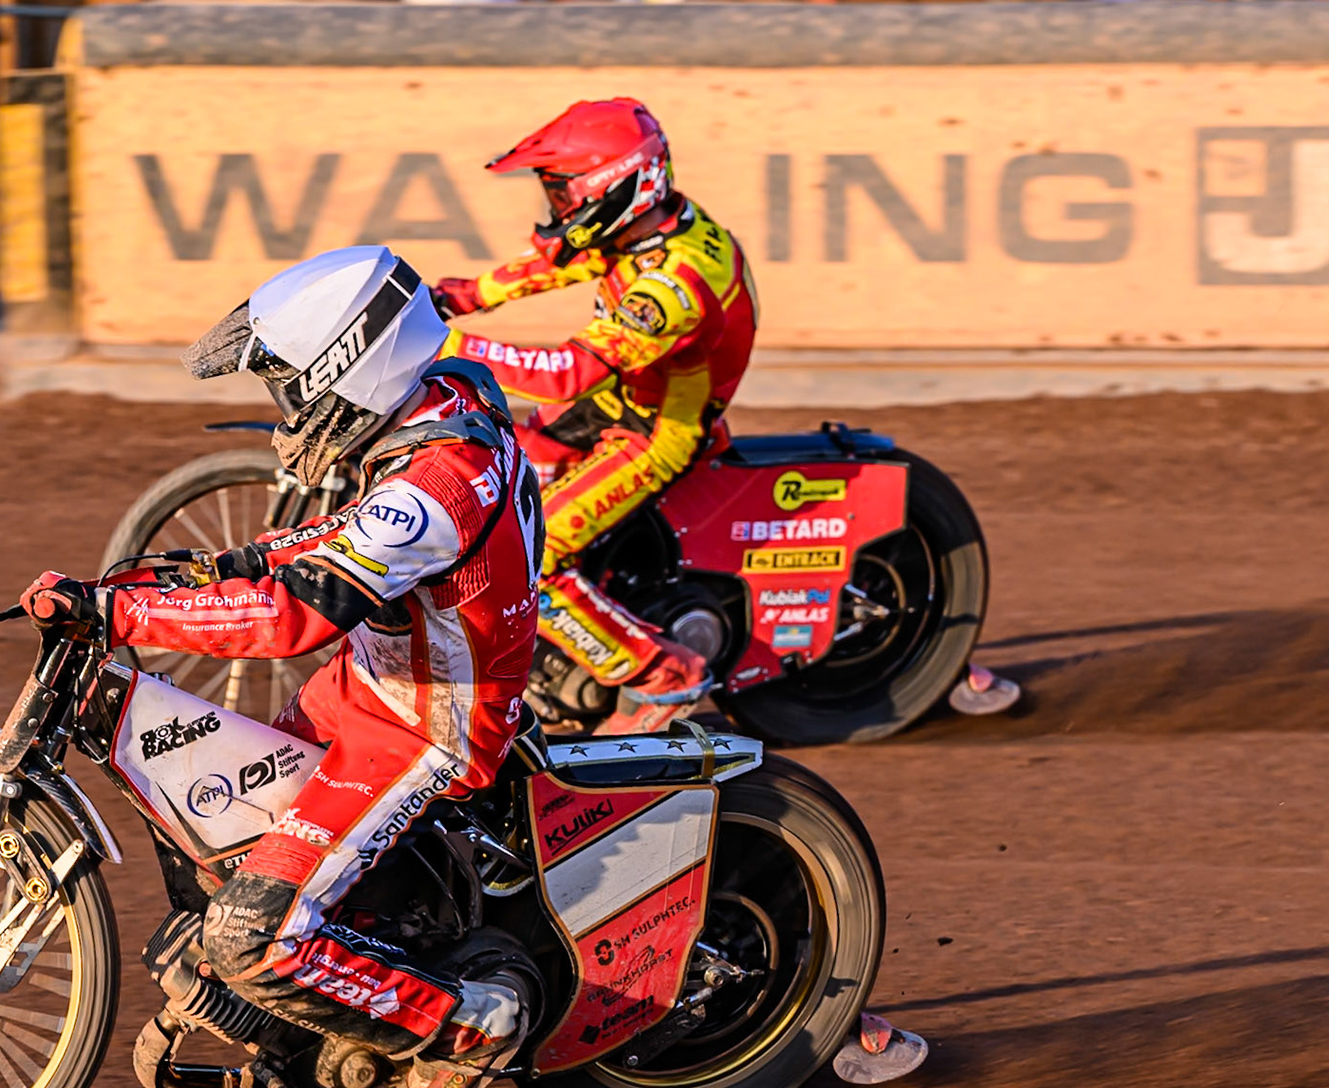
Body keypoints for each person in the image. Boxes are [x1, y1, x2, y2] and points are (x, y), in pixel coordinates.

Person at [18, 246, 544, 1088]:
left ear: (349, 371)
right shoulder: (439, 403)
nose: (284, 410)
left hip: (427, 726)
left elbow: (294, 618)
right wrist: (226, 563)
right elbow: (341, 537)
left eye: (290, 385)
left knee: (248, 934)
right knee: (219, 821)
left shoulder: (436, 486)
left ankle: (464, 1026)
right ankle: (328, 989)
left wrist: (123, 615)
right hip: (370, 686)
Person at [434, 98, 1019, 727]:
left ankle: (661, 673)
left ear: (620, 188)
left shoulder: (677, 282)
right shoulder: (644, 227)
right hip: (621, 404)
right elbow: (552, 265)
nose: (556, 212)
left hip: (656, 433)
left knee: (533, 557)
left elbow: (565, 375)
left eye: (562, 194)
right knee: (497, 468)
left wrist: (441, 340)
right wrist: (452, 295)